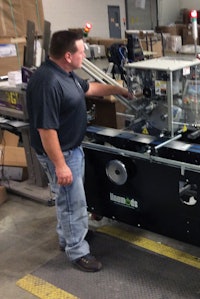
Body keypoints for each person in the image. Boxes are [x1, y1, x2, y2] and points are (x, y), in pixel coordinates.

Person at [26, 30, 132, 272]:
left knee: (68, 199)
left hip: (72, 149)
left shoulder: (66, 74)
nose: (84, 55)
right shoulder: (47, 83)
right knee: (73, 202)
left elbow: (90, 89)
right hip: (61, 154)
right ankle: (77, 252)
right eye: (81, 52)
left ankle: (69, 238)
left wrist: (117, 90)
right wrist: (61, 164)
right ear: (67, 55)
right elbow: (46, 130)